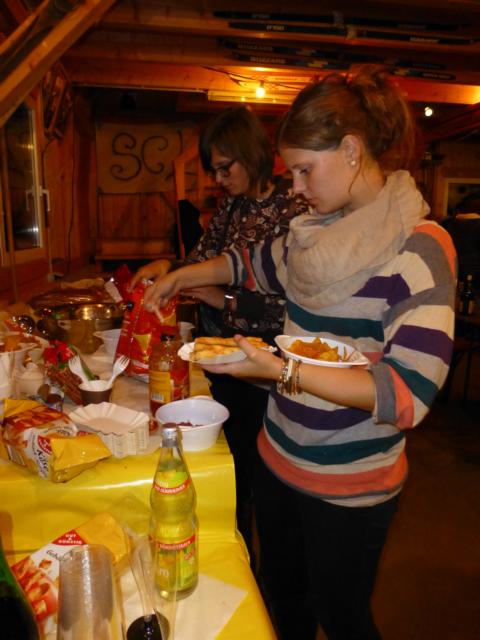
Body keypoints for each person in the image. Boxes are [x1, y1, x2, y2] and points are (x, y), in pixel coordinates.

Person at [141, 65, 457, 639]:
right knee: (283, 605)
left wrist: (281, 370)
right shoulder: (310, 235)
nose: (297, 189)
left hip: (349, 485)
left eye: (306, 170)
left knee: (342, 619)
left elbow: (408, 393)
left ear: (352, 151)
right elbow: (245, 264)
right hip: (278, 459)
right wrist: (180, 277)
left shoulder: (420, 248)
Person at [130, 105, 309, 557]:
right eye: (214, 170)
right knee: (226, 473)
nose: (218, 179)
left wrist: (221, 299)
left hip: (262, 369)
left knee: (257, 480)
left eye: (225, 168)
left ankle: (252, 565)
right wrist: (169, 266)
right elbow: (202, 260)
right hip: (217, 360)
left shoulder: (293, 207)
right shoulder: (232, 205)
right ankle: (232, 552)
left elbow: (292, 308)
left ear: (252, 154)